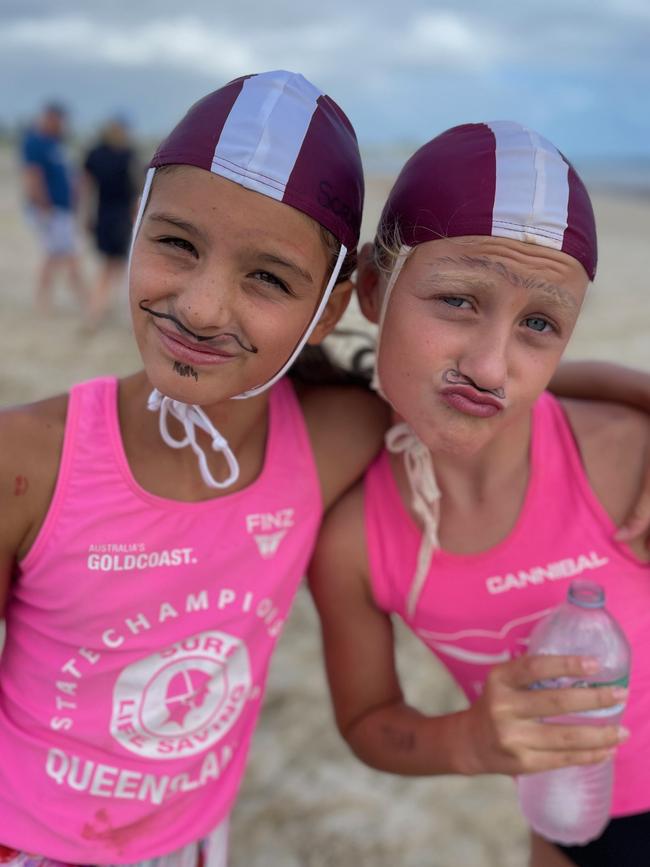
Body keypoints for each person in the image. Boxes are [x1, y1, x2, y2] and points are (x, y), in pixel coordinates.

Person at [0, 69, 387, 866]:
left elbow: (490, 398)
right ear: (135, 227)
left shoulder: (337, 434)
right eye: (177, 242)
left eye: (269, 278)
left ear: (330, 310)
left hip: (198, 837)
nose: (203, 308)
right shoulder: (27, 461)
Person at [309, 121, 650, 867]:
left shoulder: (628, 461)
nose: (492, 367)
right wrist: (466, 739)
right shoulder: (352, 541)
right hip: (572, 823)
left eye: (538, 324)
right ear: (372, 286)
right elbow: (369, 719)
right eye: (459, 301)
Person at [20, 102, 85, 312]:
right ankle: (80, 298)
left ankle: (48, 299)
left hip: (62, 208)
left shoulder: (56, 142)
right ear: (48, 118)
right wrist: (43, 206)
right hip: (51, 209)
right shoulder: (35, 142)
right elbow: (33, 175)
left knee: (56, 254)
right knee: (67, 253)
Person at [83, 116, 139, 329]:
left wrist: (86, 215)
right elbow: (135, 188)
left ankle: (99, 310)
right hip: (117, 217)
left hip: (105, 215)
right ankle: (96, 312)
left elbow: (87, 188)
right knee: (113, 267)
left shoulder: (96, 154)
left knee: (111, 267)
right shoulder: (125, 155)